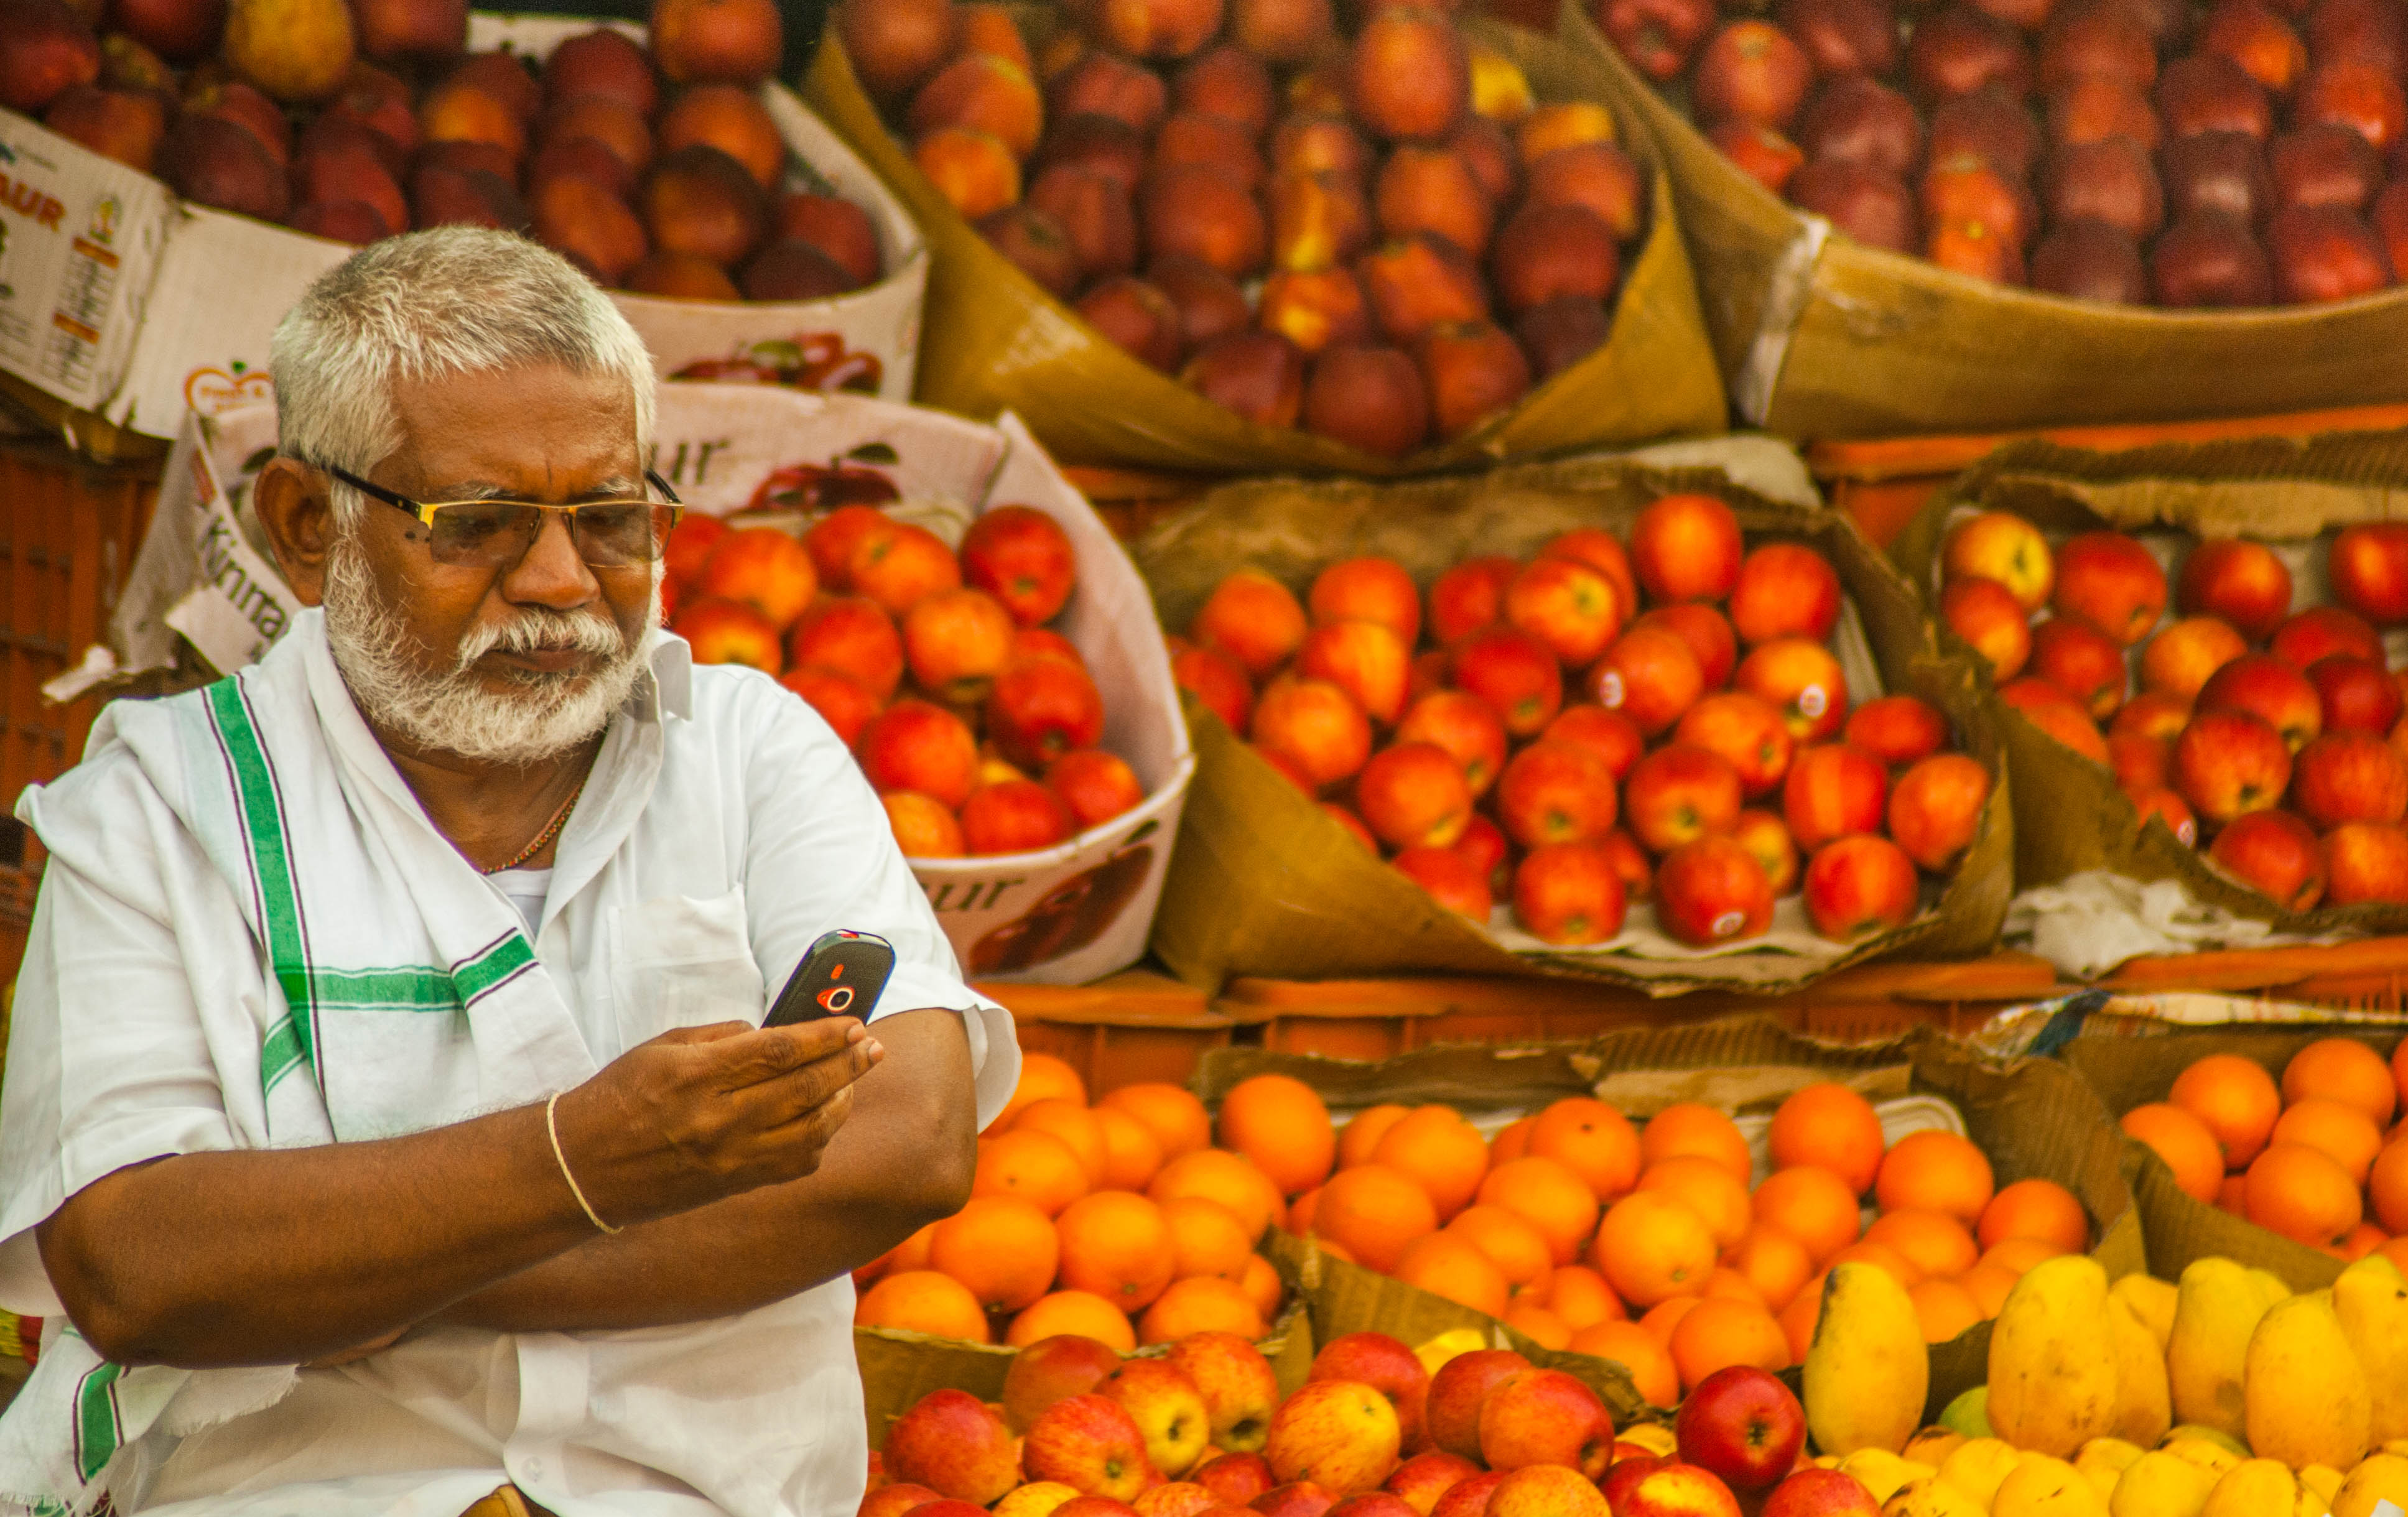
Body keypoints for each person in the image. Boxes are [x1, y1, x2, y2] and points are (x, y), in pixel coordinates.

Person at [0, 226, 1015, 1517]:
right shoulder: (158, 804)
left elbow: (911, 1143)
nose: (559, 582)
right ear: (310, 527)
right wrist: (582, 1158)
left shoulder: (749, 749)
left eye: (608, 518)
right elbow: (138, 1265)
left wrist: (361, 1272)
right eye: (476, 525)